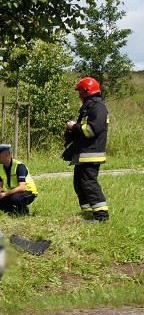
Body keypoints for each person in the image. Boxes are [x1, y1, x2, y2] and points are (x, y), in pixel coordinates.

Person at [65, 77, 109, 222]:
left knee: (89, 183)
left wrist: (74, 126)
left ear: (85, 91)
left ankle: (101, 215)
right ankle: (90, 212)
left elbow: (91, 130)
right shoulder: (89, 107)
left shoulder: (98, 108)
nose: (79, 95)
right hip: (83, 153)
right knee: (79, 183)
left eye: (79, 92)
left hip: (91, 154)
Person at [0, 144, 38, 215]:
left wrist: (4, 194)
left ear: (6, 155)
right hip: (14, 193)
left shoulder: (19, 166)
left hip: (28, 192)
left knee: (14, 198)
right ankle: (13, 212)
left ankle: (24, 212)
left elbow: (21, 188)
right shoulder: (1, 168)